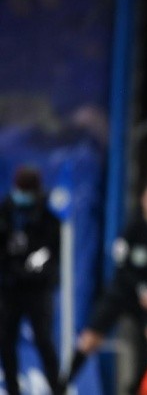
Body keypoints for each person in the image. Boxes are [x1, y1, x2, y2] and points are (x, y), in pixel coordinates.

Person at [59, 178, 147, 394]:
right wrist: (142, 290)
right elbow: (121, 268)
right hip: (122, 292)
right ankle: (60, 387)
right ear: (144, 201)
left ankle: (135, 388)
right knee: (89, 342)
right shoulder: (132, 228)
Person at [0, 165, 63, 395]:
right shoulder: (6, 212)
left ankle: (57, 388)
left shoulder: (46, 216)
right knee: (6, 339)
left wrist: (37, 270)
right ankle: (12, 388)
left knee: (44, 340)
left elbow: (52, 254)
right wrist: (13, 270)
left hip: (38, 290)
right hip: (10, 289)